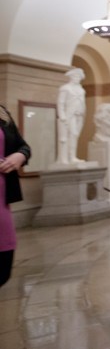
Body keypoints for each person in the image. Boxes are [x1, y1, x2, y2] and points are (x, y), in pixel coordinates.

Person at [0, 105, 31, 288]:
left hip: (2, 202)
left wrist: (20, 155)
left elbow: (23, 146)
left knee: (3, 269)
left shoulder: (2, 113)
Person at [56, 67, 86, 165]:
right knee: (69, 136)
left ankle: (73, 156)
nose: (77, 78)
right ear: (71, 77)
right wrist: (62, 115)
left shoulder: (81, 90)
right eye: (75, 76)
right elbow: (60, 103)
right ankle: (68, 157)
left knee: (75, 136)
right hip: (70, 115)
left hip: (79, 115)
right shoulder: (65, 88)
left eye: (79, 76)